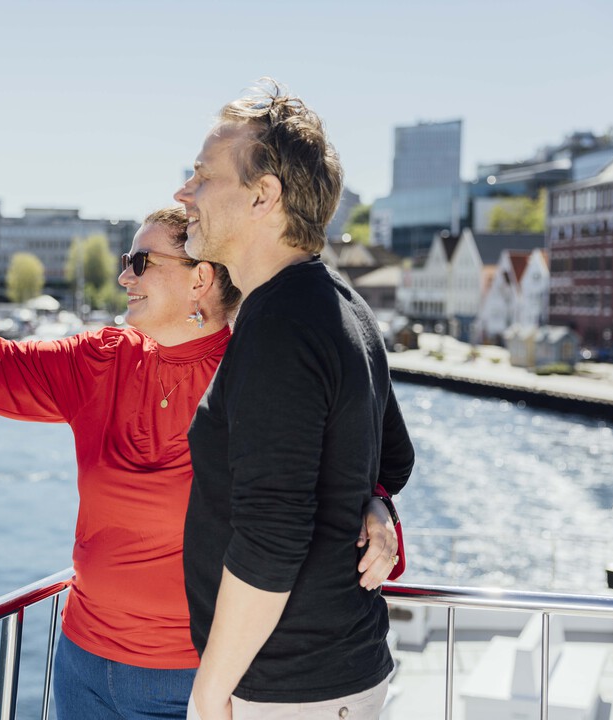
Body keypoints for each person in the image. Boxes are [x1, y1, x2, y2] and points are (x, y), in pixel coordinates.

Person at [0, 206, 401, 720]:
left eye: (141, 262)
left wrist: (376, 500)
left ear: (201, 279)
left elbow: (327, 468)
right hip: (84, 664)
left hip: (198, 678)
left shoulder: (256, 366)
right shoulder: (99, 361)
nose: (122, 275)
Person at [174, 81, 416, 720]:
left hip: (290, 691)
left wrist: (209, 691)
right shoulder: (341, 306)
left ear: (264, 195)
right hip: (333, 675)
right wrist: (370, 502)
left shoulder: (280, 325)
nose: (184, 193)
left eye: (201, 176)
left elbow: (272, 537)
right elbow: (392, 460)